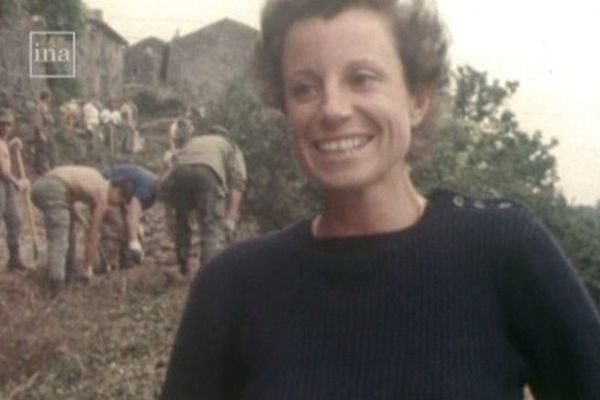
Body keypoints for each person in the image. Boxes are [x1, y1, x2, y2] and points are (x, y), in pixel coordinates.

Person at [160, 0, 600, 399]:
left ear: (418, 100)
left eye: (362, 78)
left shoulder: (504, 250)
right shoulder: (230, 287)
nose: (332, 109)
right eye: (305, 88)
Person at [30, 165, 134, 295]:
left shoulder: (97, 180)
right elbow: (92, 237)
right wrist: (88, 270)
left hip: (44, 186)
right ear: (117, 190)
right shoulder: (103, 195)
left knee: (69, 231)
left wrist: (81, 219)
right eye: (119, 201)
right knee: (60, 237)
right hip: (53, 188)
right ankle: (57, 287)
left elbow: (69, 193)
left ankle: (68, 273)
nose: (114, 205)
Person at [161, 125, 246, 275]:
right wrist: (231, 219)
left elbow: (170, 169)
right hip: (208, 172)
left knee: (182, 220)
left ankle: (183, 262)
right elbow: (238, 183)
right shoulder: (231, 146)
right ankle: (208, 273)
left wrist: (171, 209)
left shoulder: (193, 141)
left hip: (180, 171)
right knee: (210, 224)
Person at [100, 164, 158, 264]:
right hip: (107, 184)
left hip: (121, 191)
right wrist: (134, 244)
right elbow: (132, 216)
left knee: (131, 229)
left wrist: (137, 231)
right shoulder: (147, 189)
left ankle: (125, 258)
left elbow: (132, 212)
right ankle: (108, 261)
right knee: (117, 225)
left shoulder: (153, 187)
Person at [0, 107, 29, 271]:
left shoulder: (4, 141)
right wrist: (18, 183)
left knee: (15, 220)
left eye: (8, 124)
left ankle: (14, 258)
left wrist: (11, 146)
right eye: (2, 124)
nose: (5, 127)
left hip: (6, 185)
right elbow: (2, 170)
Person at [30, 90, 56, 175]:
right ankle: (40, 169)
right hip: (41, 132)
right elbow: (37, 120)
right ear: (47, 97)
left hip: (46, 131)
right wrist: (41, 133)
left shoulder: (44, 106)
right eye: (49, 97)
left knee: (46, 149)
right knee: (41, 150)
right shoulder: (39, 106)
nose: (50, 99)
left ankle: (46, 166)